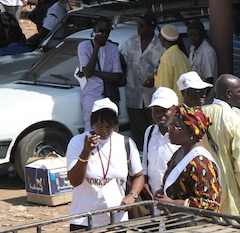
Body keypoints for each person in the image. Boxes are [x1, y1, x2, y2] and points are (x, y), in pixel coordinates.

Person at [66, 98, 144, 230]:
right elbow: (74, 181)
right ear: (92, 123)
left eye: (109, 126)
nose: (104, 131)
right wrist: (85, 153)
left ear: (116, 124)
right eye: (99, 126)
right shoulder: (78, 142)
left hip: (116, 219)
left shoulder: (126, 143)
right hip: (84, 219)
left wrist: (132, 195)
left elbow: (138, 175)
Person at [203, 74, 240, 216]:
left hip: (203, 190)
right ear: (228, 93)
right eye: (239, 91)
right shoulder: (236, 122)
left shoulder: (199, 115)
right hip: (228, 194)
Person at [154, 105, 221, 211]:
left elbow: (210, 204)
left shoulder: (201, 162)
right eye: (170, 126)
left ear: (191, 131)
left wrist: (172, 203)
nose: (169, 130)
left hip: (194, 226)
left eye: (174, 127)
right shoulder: (178, 154)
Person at [121, 11, 165, 147]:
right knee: (138, 136)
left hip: (152, 98)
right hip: (134, 97)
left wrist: (154, 80)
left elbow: (165, 70)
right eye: (138, 24)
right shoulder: (130, 41)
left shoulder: (160, 45)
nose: (138, 27)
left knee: (156, 133)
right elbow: (122, 61)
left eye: (142, 25)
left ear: (151, 28)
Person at [77, 18, 123, 131]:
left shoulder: (113, 49)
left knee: (111, 127)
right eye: (101, 31)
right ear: (94, 30)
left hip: (109, 94)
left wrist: (93, 72)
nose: (103, 34)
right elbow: (87, 73)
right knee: (92, 127)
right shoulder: (84, 46)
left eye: (107, 32)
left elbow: (116, 76)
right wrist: (96, 47)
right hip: (91, 93)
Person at [142, 87, 180, 213]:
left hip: (173, 198)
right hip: (154, 198)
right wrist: (145, 182)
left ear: (175, 109)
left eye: (164, 110)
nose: (158, 115)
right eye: (155, 110)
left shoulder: (181, 135)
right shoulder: (150, 131)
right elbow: (146, 163)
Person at [155, 24, 191, 103]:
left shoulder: (167, 58)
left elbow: (164, 88)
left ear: (163, 39)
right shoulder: (183, 55)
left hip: (174, 105)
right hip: (185, 103)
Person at [187, 19, 217, 85]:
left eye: (195, 35)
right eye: (190, 36)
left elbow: (209, 79)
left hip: (205, 93)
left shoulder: (207, 52)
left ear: (202, 35)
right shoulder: (192, 49)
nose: (192, 38)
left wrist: (203, 94)